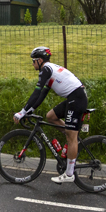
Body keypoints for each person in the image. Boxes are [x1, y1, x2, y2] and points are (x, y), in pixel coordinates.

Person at [13, 46, 88, 184]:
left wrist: (22, 112)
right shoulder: (50, 70)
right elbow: (41, 96)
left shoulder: (46, 69)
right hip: (74, 97)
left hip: (76, 98)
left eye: (34, 61)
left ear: (40, 60)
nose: (32, 64)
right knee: (51, 116)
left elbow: (36, 92)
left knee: (71, 136)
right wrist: (30, 110)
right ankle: (72, 139)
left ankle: (69, 173)